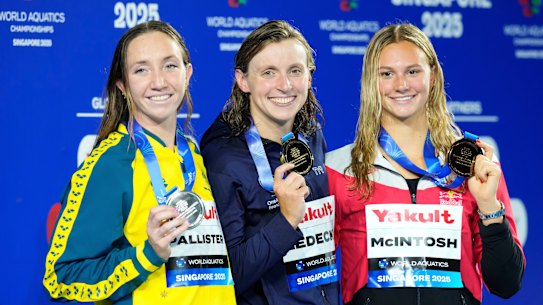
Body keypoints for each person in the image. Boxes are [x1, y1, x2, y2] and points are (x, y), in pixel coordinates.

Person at [326, 23, 525, 305]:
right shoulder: (338, 168)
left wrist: (489, 208)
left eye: (413, 71)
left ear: (433, 76)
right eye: (387, 74)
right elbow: (309, 277)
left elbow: (507, 283)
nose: (401, 85)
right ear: (372, 81)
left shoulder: (474, 167)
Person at [43, 20, 236, 305]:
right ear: (122, 85)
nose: (158, 81)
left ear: (188, 73)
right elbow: (61, 277)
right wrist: (148, 254)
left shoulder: (195, 155)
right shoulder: (112, 163)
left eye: (170, 65)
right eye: (141, 69)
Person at [200, 20, 340, 305]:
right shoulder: (223, 155)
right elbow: (229, 274)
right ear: (243, 80)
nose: (285, 85)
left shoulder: (310, 134)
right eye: (268, 73)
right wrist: (287, 219)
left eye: (295, 71)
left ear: (309, 76)